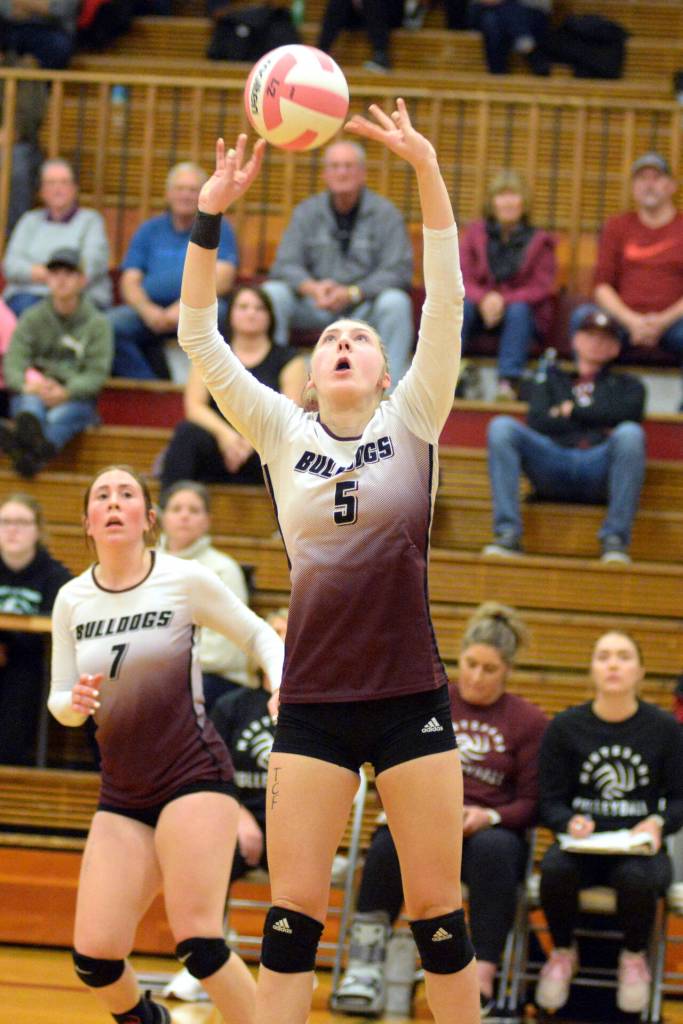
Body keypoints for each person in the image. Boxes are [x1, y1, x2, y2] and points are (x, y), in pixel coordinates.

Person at [178, 101, 480, 1024]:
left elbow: (448, 298)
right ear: (306, 377)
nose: (342, 344)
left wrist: (425, 168)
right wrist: (211, 215)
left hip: (406, 695)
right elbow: (198, 335)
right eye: (329, 343)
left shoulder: (413, 417)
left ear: (387, 373)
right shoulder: (278, 428)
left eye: (359, 341)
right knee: (289, 920)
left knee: (436, 915)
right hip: (311, 700)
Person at [47, 464, 284, 1024]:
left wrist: (281, 683)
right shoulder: (71, 599)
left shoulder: (183, 579)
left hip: (193, 778)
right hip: (123, 793)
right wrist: (72, 705)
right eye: (101, 494)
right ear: (87, 522)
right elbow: (60, 699)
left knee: (199, 943)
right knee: (95, 959)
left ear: (147, 518)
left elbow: (256, 633)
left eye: (126, 494)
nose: (112, 501)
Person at [335, 602, 547, 1018]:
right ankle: (364, 964)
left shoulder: (528, 720)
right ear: (459, 658)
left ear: (507, 671)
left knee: (496, 850)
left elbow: (531, 802)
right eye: (470, 664)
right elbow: (393, 765)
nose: (476, 677)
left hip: (487, 833)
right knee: (388, 841)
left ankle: (481, 975)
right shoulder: (432, 701)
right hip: (427, 823)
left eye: (490, 669)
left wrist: (490, 817)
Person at [535, 629, 683, 1016]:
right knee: (553, 869)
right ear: (592, 670)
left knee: (636, 878)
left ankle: (633, 958)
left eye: (623, 656)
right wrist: (568, 821)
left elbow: (681, 800)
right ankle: (564, 952)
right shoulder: (565, 727)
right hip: (582, 848)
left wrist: (657, 824)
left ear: (640, 671)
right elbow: (548, 801)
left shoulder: (665, 730)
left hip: (638, 851)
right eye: (603, 656)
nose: (613, 664)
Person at [164, 606, 288, 1004]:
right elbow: (207, 769)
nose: (281, 641)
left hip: (297, 831)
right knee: (205, 852)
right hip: (241, 823)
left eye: (290, 632)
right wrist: (239, 816)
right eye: (274, 632)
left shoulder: (319, 706)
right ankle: (206, 956)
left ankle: (290, 975)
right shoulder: (235, 705)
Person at [484, 308, 646, 563]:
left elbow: (629, 414)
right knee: (502, 427)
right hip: (552, 461)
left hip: (598, 466)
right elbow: (538, 420)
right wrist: (598, 417)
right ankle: (507, 533)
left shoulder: (629, 385)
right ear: (575, 339)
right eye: (590, 335)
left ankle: (615, 539)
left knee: (630, 434)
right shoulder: (551, 378)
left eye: (605, 338)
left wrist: (570, 412)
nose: (596, 343)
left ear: (616, 348)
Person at [261, 139, 415, 388]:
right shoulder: (306, 212)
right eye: (335, 166)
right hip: (315, 304)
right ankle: (270, 384)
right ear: (325, 173)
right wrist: (312, 288)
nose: (342, 172)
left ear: (363, 173)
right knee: (272, 294)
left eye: (348, 166)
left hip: (363, 307)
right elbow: (284, 264)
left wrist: (353, 293)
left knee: (396, 303)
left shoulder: (386, 214)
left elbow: (398, 269)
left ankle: (390, 394)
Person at [159, 284, 307, 492]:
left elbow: (290, 413)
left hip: (264, 447)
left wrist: (249, 440)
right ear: (230, 314)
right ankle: (169, 508)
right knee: (187, 433)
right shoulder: (210, 352)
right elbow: (194, 407)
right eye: (243, 307)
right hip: (219, 445)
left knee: (292, 446)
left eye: (259, 308)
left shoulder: (290, 359)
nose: (251, 313)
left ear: (271, 316)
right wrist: (226, 437)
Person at [570, 152, 683, 409]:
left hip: (674, 321)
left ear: (671, 186)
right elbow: (602, 287)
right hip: (623, 320)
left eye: (656, 177)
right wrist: (633, 322)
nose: (649, 184)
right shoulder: (617, 226)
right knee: (583, 319)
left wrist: (660, 322)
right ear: (633, 188)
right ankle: (585, 400)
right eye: (641, 178)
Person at [107, 161, 238, 381]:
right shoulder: (149, 229)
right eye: (179, 189)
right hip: (150, 312)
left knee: (223, 313)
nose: (185, 195)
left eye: (192, 190)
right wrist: (147, 310)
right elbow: (129, 281)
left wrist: (182, 310)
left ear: (203, 194)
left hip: (198, 311)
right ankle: (151, 389)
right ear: (168, 194)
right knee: (109, 326)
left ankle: (208, 391)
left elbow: (224, 278)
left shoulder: (218, 228)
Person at [0, 247, 113, 478]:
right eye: (55, 272)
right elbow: (13, 361)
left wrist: (67, 391)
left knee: (61, 416)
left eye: (68, 272)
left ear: (82, 280)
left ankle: (27, 453)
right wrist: (25, 385)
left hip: (75, 398)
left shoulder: (97, 323)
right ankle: (37, 449)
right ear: (47, 278)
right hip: (35, 390)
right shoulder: (32, 317)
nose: (61, 279)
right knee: (29, 407)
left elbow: (96, 374)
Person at [158, 479, 253, 712]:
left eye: (194, 510)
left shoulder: (223, 569)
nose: (184, 516)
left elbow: (227, 647)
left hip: (214, 676)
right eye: (176, 509)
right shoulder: (145, 564)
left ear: (207, 521)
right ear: (162, 517)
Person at [460, 169, 556, 399]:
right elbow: (461, 276)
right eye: (502, 195)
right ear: (492, 202)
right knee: (460, 308)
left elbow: (540, 287)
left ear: (525, 203)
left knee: (518, 311)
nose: (508, 202)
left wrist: (502, 300)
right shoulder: (474, 234)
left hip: (520, 316)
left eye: (514, 195)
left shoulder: (540, 240)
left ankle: (508, 383)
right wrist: (484, 298)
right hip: (478, 308)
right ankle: (448, 375)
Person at [0, 492, 70, 764]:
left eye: (22, 522)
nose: (13, 529)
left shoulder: (56, 576)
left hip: (30, 662)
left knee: (23, 681)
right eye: (5, 522)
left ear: (38, 530)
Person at [3, 157, 112, 316]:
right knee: (24, 310)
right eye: (51, 183)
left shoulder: (90, 220)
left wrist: (53, 278)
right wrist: (56, 274)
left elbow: (91, 265)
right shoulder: (29, 220)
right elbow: (11, 265)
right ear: (41, 191)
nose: (57, 189)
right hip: (28, 295)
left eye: (64, 182)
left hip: (78, 297)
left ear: (75, 188)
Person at [0, 57, 48, 236]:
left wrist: (10, 132)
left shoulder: (24, 67)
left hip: (19, 147)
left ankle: (13, 237)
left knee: (15, 163)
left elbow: (23, 126)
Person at [468, 0, 552, 75]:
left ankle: (497, 72)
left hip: (525, 14)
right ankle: (527, 44)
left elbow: (543, 6)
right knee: (495, 18)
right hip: (483, 10)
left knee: (492, 21)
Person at [317, 0, 404, 72]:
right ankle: (321, 53)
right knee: (338, 3)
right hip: (355, 12)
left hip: (387, 12)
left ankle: (381, 55)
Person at [0, 0, 79, 69]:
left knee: (60, 45)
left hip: (52, 31)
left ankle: (29, 67)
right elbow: (4, 7)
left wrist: (19, 3)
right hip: (12, 26)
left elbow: (61, 9)